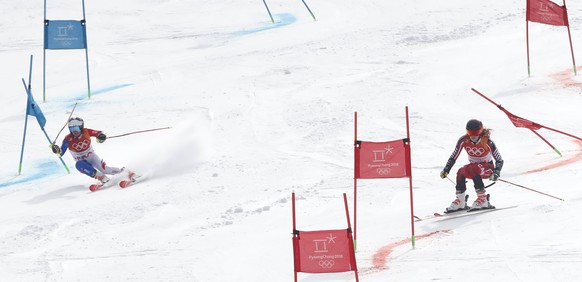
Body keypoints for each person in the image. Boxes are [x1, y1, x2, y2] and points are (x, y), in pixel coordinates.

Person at [440, 119, 504, 211]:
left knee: (473, 168)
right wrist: (446, 169)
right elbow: (454, 156)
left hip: (488, 169)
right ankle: (461, 201)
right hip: (474, 169)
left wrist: (497, 171)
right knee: (461, 171)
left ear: (481, 131)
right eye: (470, 132)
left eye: (476, 132)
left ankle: (482, 199)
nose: (473, 135)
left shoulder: (487, 141)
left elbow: (499, 159)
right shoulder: (463, 140)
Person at [51, 117, 124, 185]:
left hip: (91, 157)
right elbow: (61, 152)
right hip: (82, 162)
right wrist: (57, 150)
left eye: (76, 128)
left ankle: (123, 172)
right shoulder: (68, 139)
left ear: (81, 127)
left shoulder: (86, 131)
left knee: (105, 170)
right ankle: (101, 177)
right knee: (78, 165)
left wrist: (101, 136)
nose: (74, 131)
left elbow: (99, 133)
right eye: (72, 129)